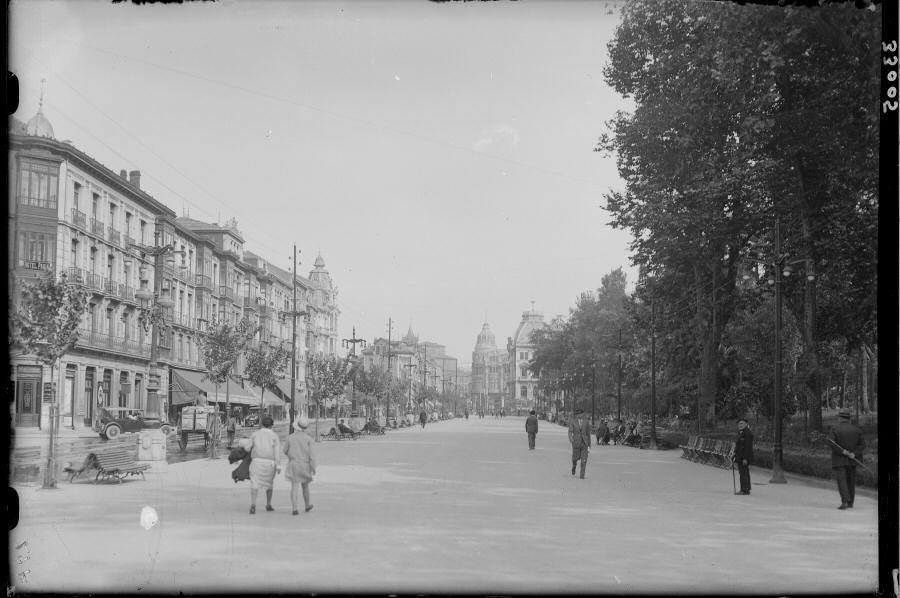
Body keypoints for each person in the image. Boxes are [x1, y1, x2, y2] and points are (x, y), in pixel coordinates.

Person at [830, 409, 865, 510]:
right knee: (851, 481)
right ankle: (850, 502)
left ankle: (844, 502)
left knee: (842, 480)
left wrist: (843, 452)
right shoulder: (857, 430)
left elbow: (831, 443)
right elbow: (863, 445)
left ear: (840, 418)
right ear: (849, 419)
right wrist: (854, 453)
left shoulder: (835, 429)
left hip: (839, 459)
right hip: (852, 459)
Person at [246, 415, 281, 514]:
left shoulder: (255, 434)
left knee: (254, 482)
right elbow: (277, 452)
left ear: (261, 424)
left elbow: (247, 448)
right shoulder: (275, 436)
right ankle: (268, 504)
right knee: (269, 484)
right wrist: (278, 465)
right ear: (272, 425)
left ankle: (253, 504)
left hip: (256, 462)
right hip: (269, 463)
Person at [283, 415, 316, 515]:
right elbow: (312, 456)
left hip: (293, 464)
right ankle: (307, 505)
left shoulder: (290, 438)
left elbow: (285, 450)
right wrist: (313, 467)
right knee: (305, 486)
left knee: (294, 487)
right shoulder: (309, 439)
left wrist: (291, 455)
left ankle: (294, 508)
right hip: (305, 465)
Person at [568, 409, 592, 478]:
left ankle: (582, 475)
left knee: (584, 460)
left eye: (581, 414)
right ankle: (574, 466)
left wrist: (589, 444)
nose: (579, 415)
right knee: (575, 458)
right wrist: (571, 439)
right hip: (576, 443)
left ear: (583, 414)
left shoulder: (586, 422)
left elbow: (588, 433)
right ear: (576, 415)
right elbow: (570, 431)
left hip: (584, 443)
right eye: (578, 414)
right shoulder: (573, 421)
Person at [733, 418, 754, 495]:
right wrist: (734, 454)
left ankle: (744, 490)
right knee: (743, 473)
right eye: (739, 424)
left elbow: (747, 447)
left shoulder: (747, 433)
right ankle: (746, 488)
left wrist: (745, 458)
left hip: (744, 457)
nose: (740, 425)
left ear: (746, 424)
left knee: (743, 474)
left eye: (742, 423)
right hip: (740, 456)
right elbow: (738, 446)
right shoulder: (741, 433)